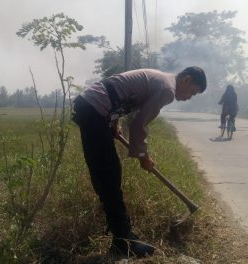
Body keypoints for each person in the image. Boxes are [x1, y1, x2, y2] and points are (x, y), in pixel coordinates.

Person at [72, 67, 207, 258]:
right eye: (192, 92)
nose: (188, 98)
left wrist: (114, 122)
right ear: (186, 80)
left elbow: (123, 94)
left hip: (90, 106)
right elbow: (138, 124)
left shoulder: (162, 80)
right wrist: (143, 157)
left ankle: (117, 229)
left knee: (104, 174)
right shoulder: (167, 89)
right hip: (95, 109)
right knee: (109, 174)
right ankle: (125, 241)